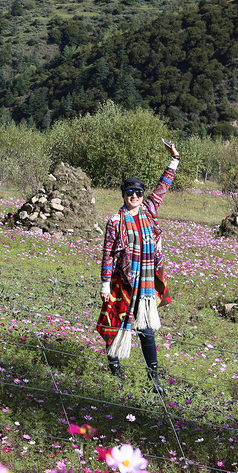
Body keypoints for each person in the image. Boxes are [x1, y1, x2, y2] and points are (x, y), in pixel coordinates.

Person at [97, 140, 180, 394]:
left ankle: (154, 380)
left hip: (144, 286)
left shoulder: (149, 211)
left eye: (138, 193)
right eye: (129, 193)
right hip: (123, 283)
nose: (134, 197)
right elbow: (108, 254)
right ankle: (116, 374)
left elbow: (163, 187)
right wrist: (104, 284)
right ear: (123, 195)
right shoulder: (115, 221)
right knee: (116, 325)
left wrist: (174, 160)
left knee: (146, 331)